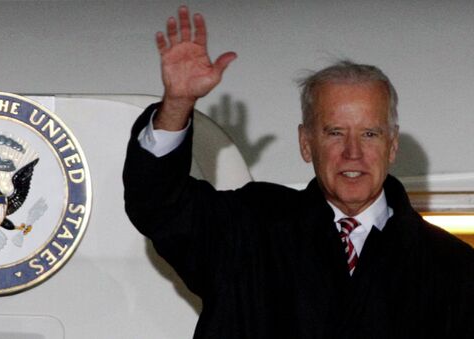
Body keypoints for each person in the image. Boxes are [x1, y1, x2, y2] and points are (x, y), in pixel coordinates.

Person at [123, 6, 473, 339]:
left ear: (392, 145)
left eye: (370, 134)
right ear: (306, 143)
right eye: (335, 133)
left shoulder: (453, 269)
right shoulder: (248, 229)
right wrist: (177, 105)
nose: (353, 153)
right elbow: (159, 204)